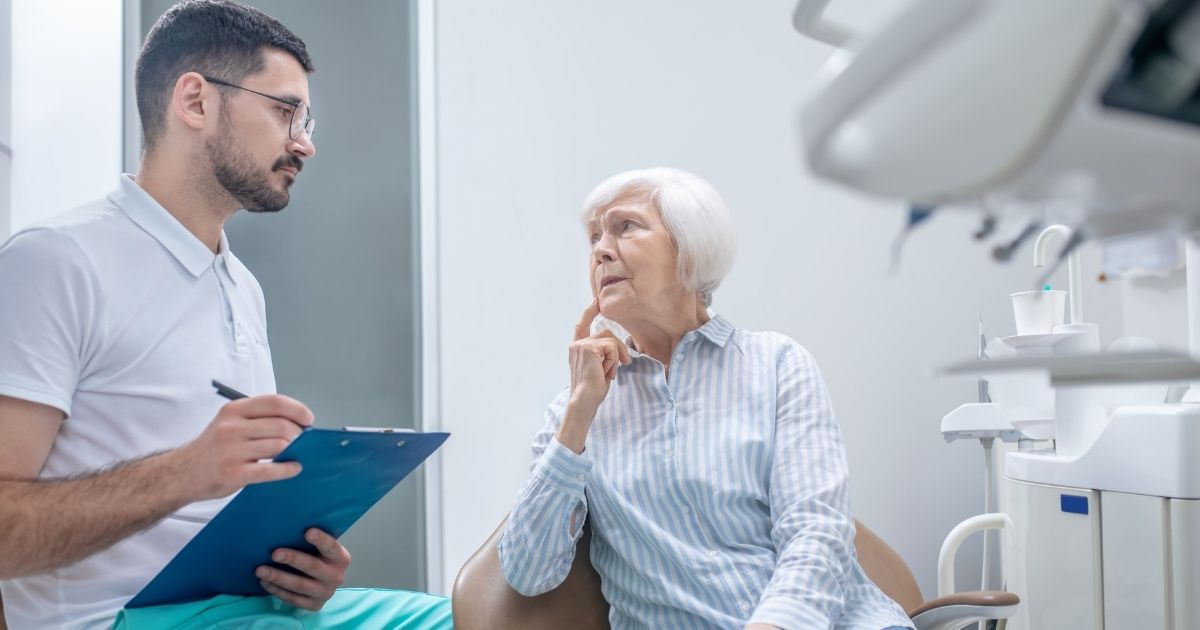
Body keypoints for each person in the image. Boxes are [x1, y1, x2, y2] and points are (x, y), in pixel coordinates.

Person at [0, 2, 449, 628]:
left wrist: (297, 568)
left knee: (483, 615)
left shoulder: (241, 285)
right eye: (286, 111)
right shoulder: (55, 262)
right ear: (195, 101)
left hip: (247, 607)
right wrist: (184, 472)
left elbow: (225, 505)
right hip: (115, 619)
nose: (306, 143)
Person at [498, 167, 914, 629]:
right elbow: (527, 572)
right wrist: (578, 415)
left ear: (688, 248)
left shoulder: (777, 365)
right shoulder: (574, 411)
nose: (599, 249)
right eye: (593, 237)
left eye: (624, 226)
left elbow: (817, 534)